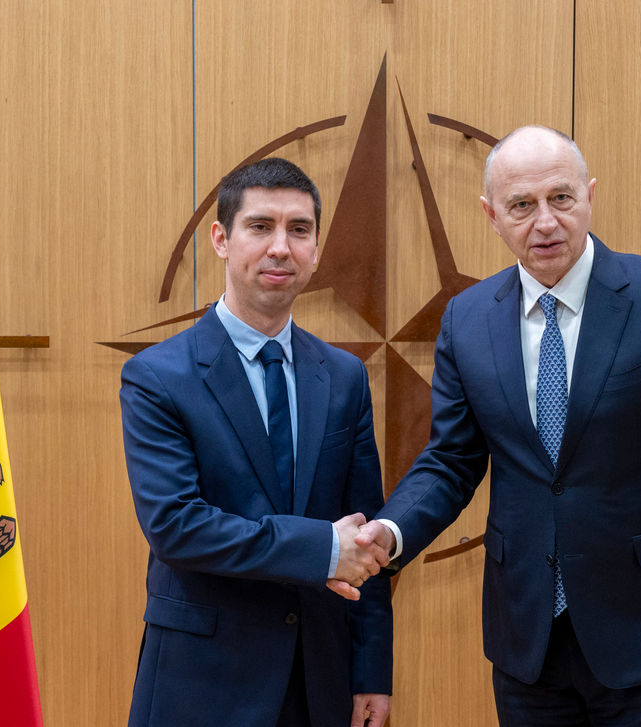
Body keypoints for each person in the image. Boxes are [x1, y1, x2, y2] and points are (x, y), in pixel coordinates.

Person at [357, 126, 641, 725]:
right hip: (527, 640)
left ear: (590, 196)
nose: (544, 222)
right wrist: (391, 531)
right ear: (492, 216)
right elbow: (452, 460)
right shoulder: (467, 319)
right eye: (522, 206)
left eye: (561, 198)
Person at [121, 158, 392, 727]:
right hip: (202, 680)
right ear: (221, 238)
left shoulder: (343, 376)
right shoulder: (158, 375)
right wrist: (319, 549)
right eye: (260, 226)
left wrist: (372, 672)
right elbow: (176, 526)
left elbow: (364, 533)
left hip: (318, 678)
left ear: (316, 248)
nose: (280, 248)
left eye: (299, 230)